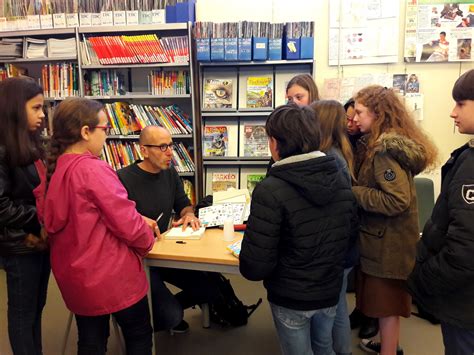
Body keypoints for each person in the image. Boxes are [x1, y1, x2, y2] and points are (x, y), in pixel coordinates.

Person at [36, 98, 156, 354]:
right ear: (85, 131)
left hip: (77, 281)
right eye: (105, 129)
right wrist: (147, 243)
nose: (107, 135)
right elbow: (127, 223)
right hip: (112, 278)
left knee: (91, 341)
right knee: (139, 334)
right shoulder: (93, 170)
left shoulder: (53, 171)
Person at [240, 103, 356, 355]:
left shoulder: (270, 189)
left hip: (290, 296)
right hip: (329, 291)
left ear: (274, 142)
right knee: (324, 346)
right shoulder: (341, 179)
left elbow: (254, 266)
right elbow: (350, 244)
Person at [352, 85, 437, 355]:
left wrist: (356, 192)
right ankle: (384, 343)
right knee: (384, 305)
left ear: (379, 114)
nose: (355, 118)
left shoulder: (384, 153)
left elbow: (396, 200)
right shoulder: (384, 145)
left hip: (387, 246)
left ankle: (388, 350)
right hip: (387, 241)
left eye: (361, 113)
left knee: (387, 307)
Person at [117, 125, 219, 334]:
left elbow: (182, 203)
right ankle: (146, 317)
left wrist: (188, 214)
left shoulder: (169, 172)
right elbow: (118, 222)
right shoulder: (122, 179)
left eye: (170, 146)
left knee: (211, 289)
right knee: (172, 316)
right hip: (139, 260)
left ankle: (162, 309)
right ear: (143, 150)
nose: (170, 152)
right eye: (162, 147)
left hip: (164, 253)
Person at [407, 69, 474, 355]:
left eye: (461, 104)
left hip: (464, 304)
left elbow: (464, 252)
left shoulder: (471, 167)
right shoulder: (466, 156)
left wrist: (421, 279)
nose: (452, 112)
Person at [0, 77, 50, 355]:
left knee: (35, 309)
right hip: (21, 244)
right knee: (22, 314)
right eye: (36, 108)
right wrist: (38, 218)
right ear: (15, 109)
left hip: (40, 241)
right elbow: (1, 206)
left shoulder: (31, 144)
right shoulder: (2, 148)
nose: (43, 115)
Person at [311, 100, 359, 355]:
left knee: (333, 308)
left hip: (338, 248)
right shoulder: (339, 152)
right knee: (338, 303)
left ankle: (339, 350)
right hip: (345, 246)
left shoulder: (329, 158)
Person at [343, 97, 379, 340]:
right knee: (358, 267)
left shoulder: (374, 145)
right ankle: (360, 308)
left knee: (370, 269)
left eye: (356, 116)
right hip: (353, 211)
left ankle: (372, 316)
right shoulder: (346, 141)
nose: (351, 122)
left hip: (371, 212)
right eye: (347, 118)